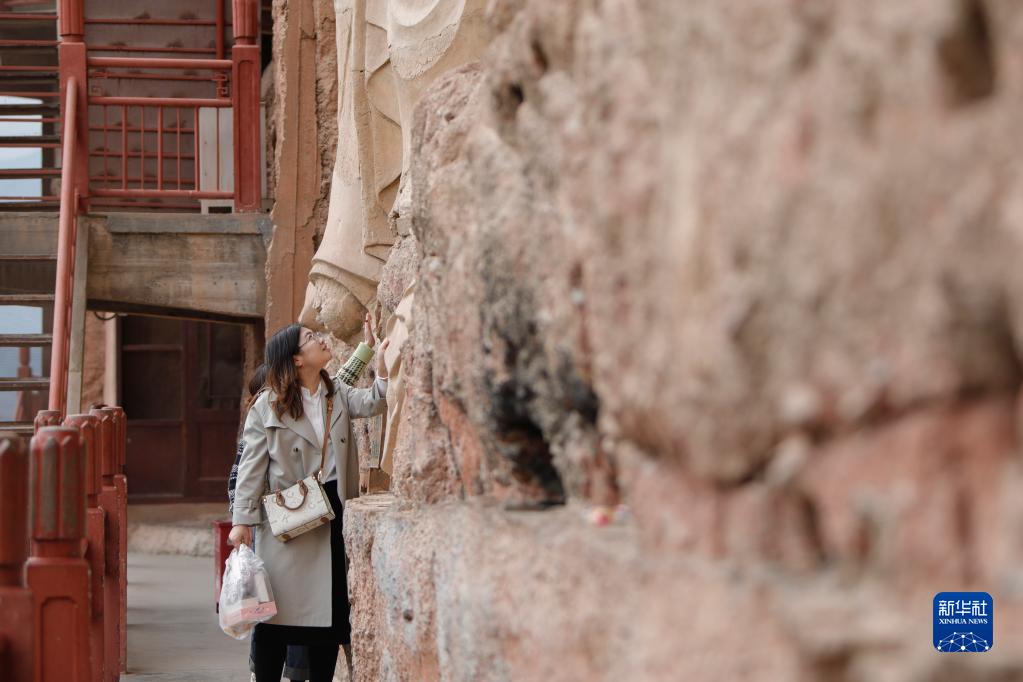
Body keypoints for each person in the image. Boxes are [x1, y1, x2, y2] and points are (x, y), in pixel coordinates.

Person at [229, 317, 389, 682]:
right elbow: (250, 469)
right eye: (311, 338)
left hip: (332, 512)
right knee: (274, 619)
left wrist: (380, 367)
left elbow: (373, 403)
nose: (321, 339)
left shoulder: (336, 393)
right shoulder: (267, 406)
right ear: (296, 359)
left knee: (327, 620)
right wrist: (242, 522)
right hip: (285, 519)